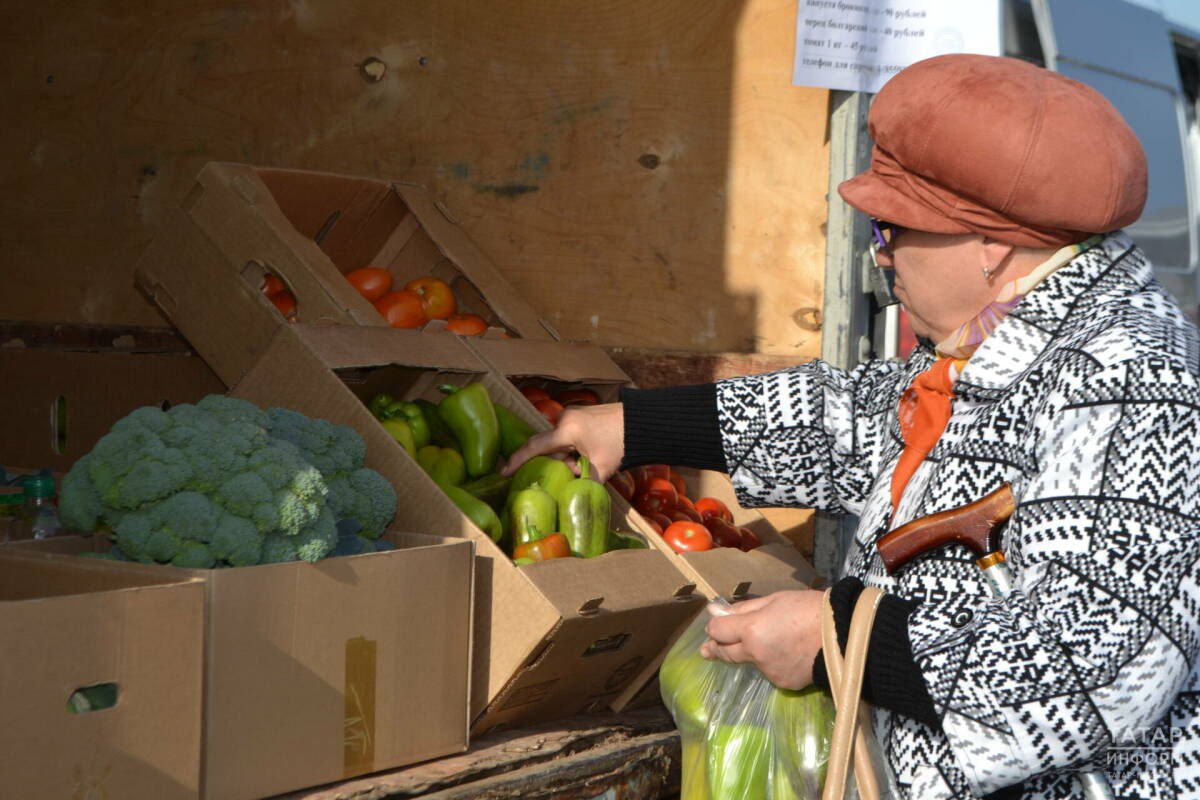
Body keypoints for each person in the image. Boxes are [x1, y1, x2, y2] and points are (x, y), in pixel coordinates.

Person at [502, 53, 1200, 798]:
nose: (883, 257)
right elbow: (858, 421)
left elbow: (1095, 669)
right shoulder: (1007, 339)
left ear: (993, 242)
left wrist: (836, 635)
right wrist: (633, 427)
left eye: (892, 228)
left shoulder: (1134, 383)